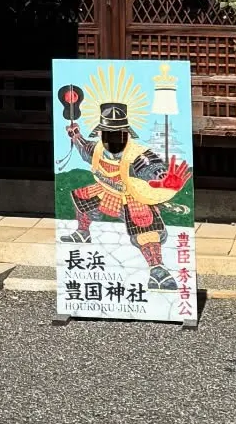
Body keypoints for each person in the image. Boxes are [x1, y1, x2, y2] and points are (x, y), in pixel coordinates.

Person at [60, 95, 191, 292]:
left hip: (132, 196)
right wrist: (75, 135)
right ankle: (83, 232)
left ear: (126, 133)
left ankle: (157, 270)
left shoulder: (138, 155)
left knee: (144, 226)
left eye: (117, 134)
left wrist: (164, 179)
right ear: (101, 133)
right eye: (108, 133)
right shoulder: (96, 149)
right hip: (106, 190)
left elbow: (154, 169)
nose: (113, 138)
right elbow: (82, 147)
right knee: (81, 195)